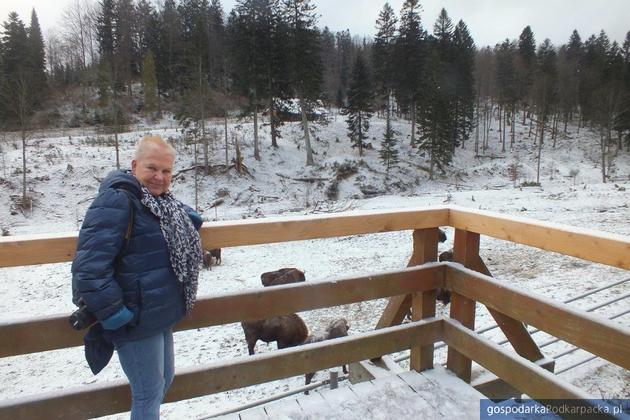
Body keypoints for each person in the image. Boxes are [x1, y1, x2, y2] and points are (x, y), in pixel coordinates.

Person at [71, 135, 203, 419]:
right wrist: (116, 314)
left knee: (163, 382)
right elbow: (89, 268)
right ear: (134, 166)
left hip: (157, 314)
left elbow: (163, 226)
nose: (159, 177)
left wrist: (187, 221)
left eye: (166, 171)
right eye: (152, 168)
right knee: (148, 392)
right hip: (133, 318)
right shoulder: (118, 200)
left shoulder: (162, 205)